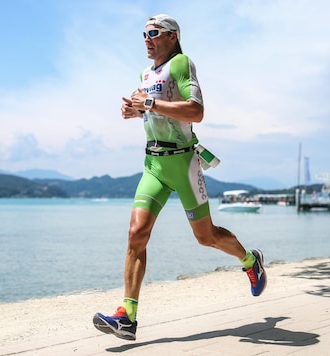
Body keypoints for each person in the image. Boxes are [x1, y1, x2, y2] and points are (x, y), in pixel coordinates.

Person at [92, 14, 267, 341]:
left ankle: (249, 260)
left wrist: (150, 103)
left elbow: (195, 111)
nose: (147, 39)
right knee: (136, 234)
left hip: (184, 163)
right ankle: (127, 316)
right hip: (153, 165)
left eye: (154, 33)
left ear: (172, 36)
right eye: (144, 34)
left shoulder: (182, 63)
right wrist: (136, 111)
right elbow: (151, 108)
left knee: (206, 237)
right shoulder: (145, 74)